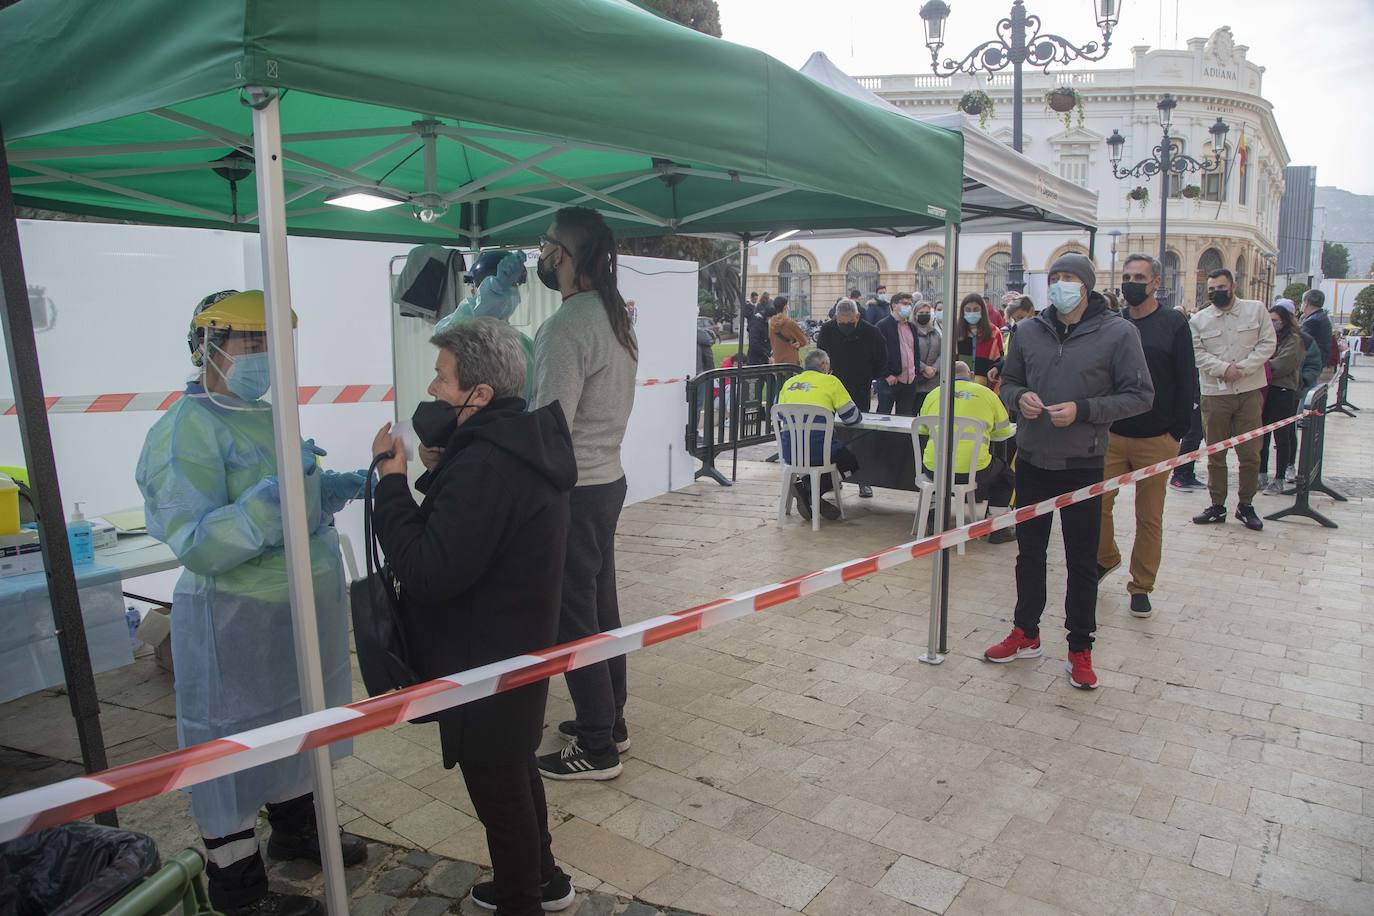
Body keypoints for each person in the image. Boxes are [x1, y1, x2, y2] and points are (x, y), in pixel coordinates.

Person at [136, 290, 368, 916]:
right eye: (250, 342)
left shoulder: (264, 415)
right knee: (230, 747)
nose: (264, 356)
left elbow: (298, 500)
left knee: (296, 723)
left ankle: (296, 828)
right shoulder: (183, 432)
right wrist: (268, 504)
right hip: (233, 622)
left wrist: (337, 487)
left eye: (273, 343)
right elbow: (197, 542)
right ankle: (238, 886)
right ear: (208, 347)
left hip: (296, 615)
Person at [370, 319, 577, 916]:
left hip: (484, 654)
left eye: (442, 377)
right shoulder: (511, 444)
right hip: (512, 641)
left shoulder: (488, 464)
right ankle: (544, 877)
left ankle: (522, 900)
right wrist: (440, 467)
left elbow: (430, 569)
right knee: (513, 769)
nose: (432, 389)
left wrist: (391, 485)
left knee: (499, 788)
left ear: (479, 395)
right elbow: (473, 534)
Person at [988, 253, 1153, 690]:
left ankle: (1080, 646)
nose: (1061, 285)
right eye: (1055, 277)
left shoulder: (1118, 332)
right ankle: (1026, 632)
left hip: (1084, 462)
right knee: (1029, 554)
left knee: (1082, 560)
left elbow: (1139, 395)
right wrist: (1018, 398)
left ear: (1086, 285)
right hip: (1034, 460)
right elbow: (1009, 381)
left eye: (1069, 278)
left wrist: (1084, 411)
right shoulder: (1027, 331)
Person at [531, 207, 638, 781]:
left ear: (565, 257)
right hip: (606, 480)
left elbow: (549, 424)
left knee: (575, 619)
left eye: (548, 245)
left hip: (573, 489)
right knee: (601, 609)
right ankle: (610, 721)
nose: (542, 256)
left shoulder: (569, 324)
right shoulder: (614, 318)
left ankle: (596, 745)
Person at [1096, 255, 1196, 618]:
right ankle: (1105, 558)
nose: (1131, 283)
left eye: (1139, 277)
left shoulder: (1173, 324)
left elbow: (1187, 379)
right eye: (1126, 276)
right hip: (1113, 434)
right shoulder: (1112, 323)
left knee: (1148, 517)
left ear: (1155, 283)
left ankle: (1141, 585)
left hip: (1157, 437)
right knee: (1096, 506)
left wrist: (1178, 432)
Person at [1190, 268, 1276, 531]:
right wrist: (1223, 369)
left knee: (1250, 454)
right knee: (1216, 453)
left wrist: (1244, 368)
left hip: (1248, 391)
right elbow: (1197, 353)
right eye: (1212, 288)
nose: (1216, 292)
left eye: (1221, 287)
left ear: (1233, 286)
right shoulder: (1198, 320)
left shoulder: (1256, 310)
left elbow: (1267, 343)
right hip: (1216, 395)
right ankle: (1217, 505)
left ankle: (1246, 505)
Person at [918, 362, 1015, 531]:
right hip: (974, 470)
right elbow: (1003, 433)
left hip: (934, 468)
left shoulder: (934, 393)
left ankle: (933, 523)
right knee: (1005, 475)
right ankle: (997, 527)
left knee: (937, 477)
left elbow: (923, 428)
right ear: (971, 375)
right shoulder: (988, 394)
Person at [776, 348, 862, 521]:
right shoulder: (831, 382)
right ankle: (808, 491)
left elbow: (779, 414)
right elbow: (852, 418)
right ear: (823, 365)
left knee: (826, 457)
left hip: (790, 452)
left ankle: (806, 491)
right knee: (849, 462)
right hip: (819, 451)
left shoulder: (789, 383)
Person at [816, 299, 888, 498]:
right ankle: (832, 479)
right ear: (836, 318)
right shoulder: (827, 331)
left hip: (859, 390)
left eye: (849, 323)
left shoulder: (872, 333)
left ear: (857, 317)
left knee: (859, 437)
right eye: (841, 323)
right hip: (831, 390)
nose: (845, 326)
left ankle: (863, 481)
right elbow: (820, 358)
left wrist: (868, 377)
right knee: (832, 436)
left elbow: (882, 361)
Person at [1257, 303, 1305, 495]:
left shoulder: (1294, 340)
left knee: (1281, 435)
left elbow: (1283, 364)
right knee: (1262, 434)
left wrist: (1261, 367)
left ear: (1284, 321)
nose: (1272, 323)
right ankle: (1261, 474)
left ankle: (1278, 478)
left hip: (1283, 390)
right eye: (1270, 320)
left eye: (1275, 320)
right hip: (1264, 389)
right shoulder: (1266, 338)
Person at [876, 295, 938, 416]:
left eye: (910, 304)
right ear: (894, 305)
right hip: (890, 380)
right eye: (904, 303)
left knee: (905, 417)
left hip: (910, 381)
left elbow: (914, 352)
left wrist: (916, 372)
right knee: (883, 415)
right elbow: (877, 354)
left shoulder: (911, 327)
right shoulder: (882, 326)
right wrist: (886, 375)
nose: (908, 306)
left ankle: (902, 436)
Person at [953, 293, 1005, 385]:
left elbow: (1000, 359)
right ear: (963, 311)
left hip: (986, 385)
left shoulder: (994, 332)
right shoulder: (956, 332)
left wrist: (995, 368)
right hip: (960, 385)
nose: (972, 313)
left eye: (976, 310)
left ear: (982, 311)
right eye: (968, 310)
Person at [1300, 289, 1334, 373]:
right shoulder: (1321, 316)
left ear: (1306, 302)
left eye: (1302, 302)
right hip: (1320, 360)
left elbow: (1300, 342)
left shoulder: (1313, 321)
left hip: (1311, 364)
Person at [768, 295, 808, 366]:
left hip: (777, 360)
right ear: (785, 307)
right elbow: (804, 341)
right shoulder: (790, 323)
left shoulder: (771, 323)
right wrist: (798, 343)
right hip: (791, 362)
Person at [746, 298, 773, 366]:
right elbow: (754, 343)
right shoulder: (756, 324)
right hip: (757, 361)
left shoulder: (764, 323)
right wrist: (767, 355)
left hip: (763, 359)